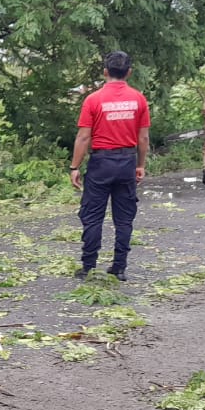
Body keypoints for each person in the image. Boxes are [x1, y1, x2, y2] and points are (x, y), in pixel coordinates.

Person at [68, 51, 150, 282]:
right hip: (127, 162)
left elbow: (83, 137)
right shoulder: (139, 99)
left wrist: (75, 167)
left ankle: (88, 267)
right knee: (124, 218)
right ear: (129, 72)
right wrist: (140, 165)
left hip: (101, 163)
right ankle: (119, 267)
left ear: (105, 72)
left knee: (93, 215)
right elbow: (143, 138)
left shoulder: (93, 100)